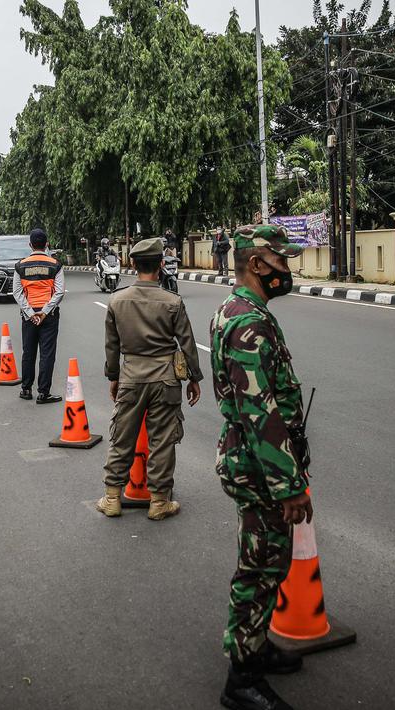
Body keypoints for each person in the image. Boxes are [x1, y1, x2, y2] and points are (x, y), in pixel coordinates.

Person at [208, 224, 312, 710]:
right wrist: (288, 484)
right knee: (260, 565)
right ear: (256, 264)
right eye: (282, 261)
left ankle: (257, 644)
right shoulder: (248, 322)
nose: (287, 270)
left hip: (252, 461)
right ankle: (242, 678)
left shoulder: (236, 309)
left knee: (268, 561)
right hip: (259, 466)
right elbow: (260, 412)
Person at [95, 236, 203, 521]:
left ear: (132, 264)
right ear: (160, 265)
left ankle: (112, 499)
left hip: (131, 377)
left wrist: (114, 377)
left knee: (121, 437)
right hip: (166, 380)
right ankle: (158, 502)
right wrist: (194, 378)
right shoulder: (172, 301)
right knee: (162, 441)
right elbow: (187, 344)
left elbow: (112, 346)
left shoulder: (117, 301)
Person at [11, 228, 65, 403]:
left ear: (30, 245)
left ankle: (26, 389)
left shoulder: (20, 265)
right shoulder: (55, 265)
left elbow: (17, 292)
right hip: (48, 315)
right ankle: (43, 393)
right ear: (47, 244)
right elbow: (59, 293)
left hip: (29, 316)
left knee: (29, 352)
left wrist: (30, 313)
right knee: (47, 354)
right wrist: (44, 312)